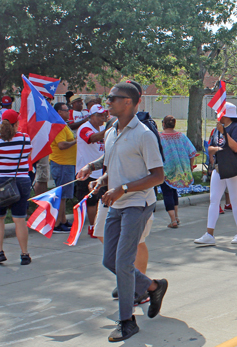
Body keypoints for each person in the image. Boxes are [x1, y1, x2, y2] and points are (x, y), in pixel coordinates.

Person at [90, 82, 168, 342]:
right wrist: (100, 180)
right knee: (109, 261)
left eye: (113, 98)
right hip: (117, 204)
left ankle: (127, 321)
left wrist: (122, 188)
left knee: (123, 263)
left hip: (137, 205)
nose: (107, 102)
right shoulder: (112, 130)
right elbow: (112, 164)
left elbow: (158, 176)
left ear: (129, 102)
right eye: (108, 97)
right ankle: (153, 287)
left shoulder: (144, 135)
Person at [194, 102, 237, 245]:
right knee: (214, 199)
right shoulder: (217, 129)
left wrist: (224, 133)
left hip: (233, 168)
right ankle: (209, 234)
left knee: (235, 199)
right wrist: (217, 149)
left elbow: (236, 148)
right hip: (219, 167)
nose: (218, 116)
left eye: (220, 113)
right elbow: (210, 148)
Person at [0, 110, 32, 265]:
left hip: (1, 182)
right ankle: (24, 253)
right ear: (16, 123)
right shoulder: (25, 138)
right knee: (20, 219)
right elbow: (27, 157)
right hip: (22, 180)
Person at [159, 115, 197, 228]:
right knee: (174, 191)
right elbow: (192, 151)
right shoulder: (181, 136)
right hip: (180, 169)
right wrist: (190, 165)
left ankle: (173, 220)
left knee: (167, 192)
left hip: (166, 169)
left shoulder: (160, 137)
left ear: (163, 124)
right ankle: (176, 216)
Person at [76, 104, 107, 237]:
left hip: (100, 171)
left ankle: (100, 225)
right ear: (91, 116)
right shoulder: (84, 128)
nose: (102, 118)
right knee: (91, 201)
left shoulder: (103, 127)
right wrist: (110, 130)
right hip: (86, 171)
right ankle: (92, 227)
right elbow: (92, 138)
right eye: (99, 115)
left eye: (104, 115)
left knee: (101, 199)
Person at [50, 102, 77, 233]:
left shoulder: (62, 125)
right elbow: (61, 145)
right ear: (59, 112)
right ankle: (57, 223)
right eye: (66, 110)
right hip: (62, 164)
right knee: (61, 195)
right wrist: (76, 141)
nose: (69, 112)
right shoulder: (58, 126)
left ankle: (63, 219)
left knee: (64, 195)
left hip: (66, 163)